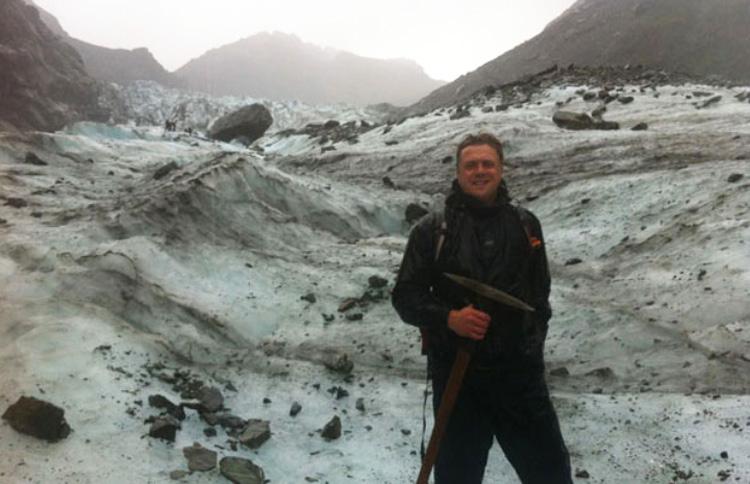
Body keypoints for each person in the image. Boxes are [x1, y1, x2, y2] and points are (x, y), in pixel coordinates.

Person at [392, 133, 572, 483]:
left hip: (519, 378)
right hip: (458, 378)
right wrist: (449, 318)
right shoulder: (432, 230)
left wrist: (531, 347)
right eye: (470, 165)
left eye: (487, 164)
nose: (479, 171)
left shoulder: (526, 224)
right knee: (458, 475)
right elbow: (405, 296)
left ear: (501, 169)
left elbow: (539, 297)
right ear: (458, 173)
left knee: (550, 473)